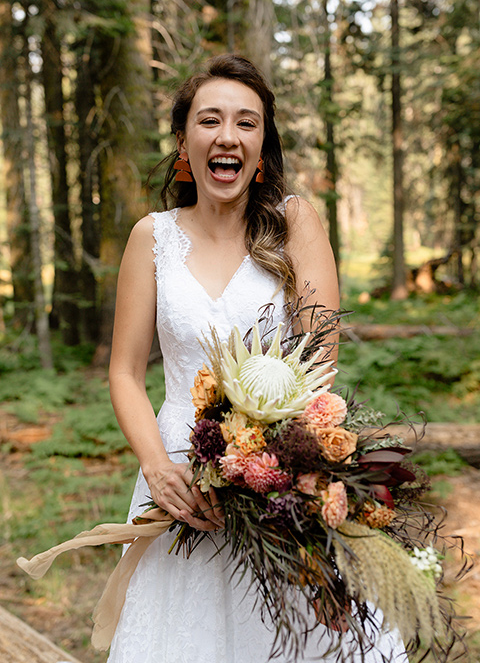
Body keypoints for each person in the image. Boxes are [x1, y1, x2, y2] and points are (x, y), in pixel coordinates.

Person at [107, 54, 405, 663]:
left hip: (279, 476)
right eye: (210, 120)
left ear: (262, 146)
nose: (228, 135)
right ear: (186, 143)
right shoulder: (152, 237)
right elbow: (125, 371)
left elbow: (320, 355)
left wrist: (266, 459)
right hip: (177, 479)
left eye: (247, 123)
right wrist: (158, 467)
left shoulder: (294, 222)